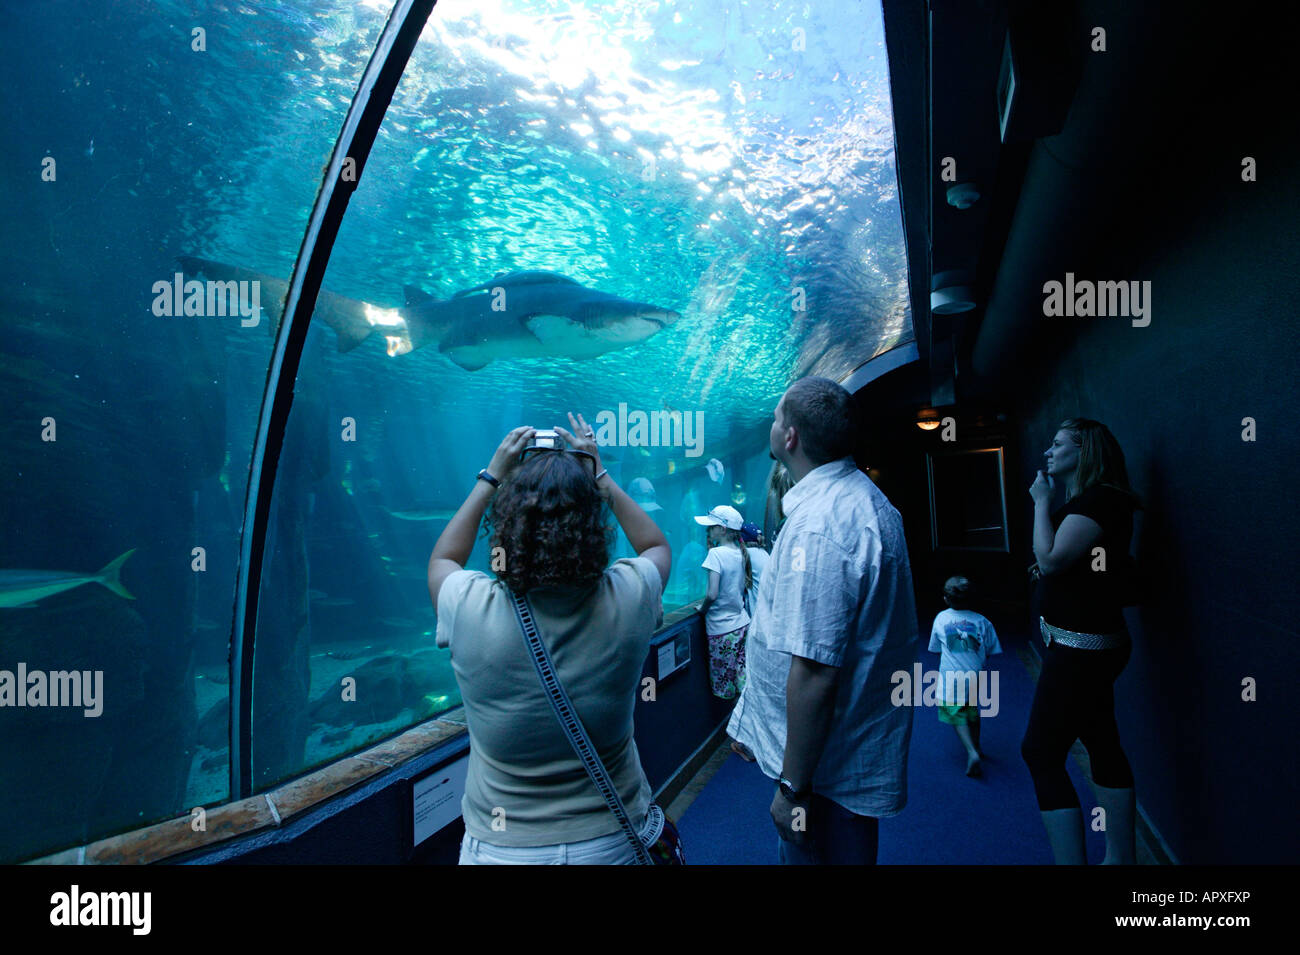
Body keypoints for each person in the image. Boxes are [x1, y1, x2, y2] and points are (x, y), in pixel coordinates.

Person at [427, 413, 673, 865]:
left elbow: (444, 557)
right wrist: (598, 473)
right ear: (591, 522)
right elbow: (656, 547)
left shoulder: (468, 605)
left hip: (502, 849)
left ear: (506, 521)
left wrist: (491, 476)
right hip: (611, 840)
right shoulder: (630, 596)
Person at [727, 376, 920, 865]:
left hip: (824, 773)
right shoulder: (865, 502)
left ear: (789, 436)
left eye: (775, 417)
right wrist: (754, 728)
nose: (772, 425)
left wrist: (792, 789)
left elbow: (815, 671)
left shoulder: (819, 528)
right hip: (841, 753)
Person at [1021, 417, 1142, 865]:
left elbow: (1051, 559)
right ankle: (1121, 857)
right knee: (1100, 738)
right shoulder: (1093, 502)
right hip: (1081, 646)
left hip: (1081, 649)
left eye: (1058, 444)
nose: (1048, 452)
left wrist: (1039, 503)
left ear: (1085, 450)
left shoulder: (1100, 501)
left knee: (1039, 751)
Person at [929, 576, 1002, 777]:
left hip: (952, 676)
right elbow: (991, 649)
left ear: (945, 598)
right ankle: (977, 745)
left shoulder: (941, 619)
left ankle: (971, 752)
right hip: (975, 675)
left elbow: (934, 649)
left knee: (954, 710)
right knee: (971, 708)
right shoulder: (982, 621)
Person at [694, 504, 752, 700]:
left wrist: (702, 610)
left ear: (723, 529)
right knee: (741, 678)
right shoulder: (740, 552)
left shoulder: (716, 554)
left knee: (726, 687)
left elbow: (712, 594)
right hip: (742, 623)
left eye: (711, 527)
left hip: (722, 628)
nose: (708, 530)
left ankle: (737, 728)